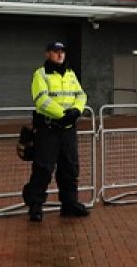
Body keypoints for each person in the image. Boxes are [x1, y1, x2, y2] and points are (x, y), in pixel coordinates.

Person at [23, 41, 89, 222]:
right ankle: (35, 206)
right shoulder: (41, 74)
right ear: (47, 54)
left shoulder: (70, 74)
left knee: (70, 167)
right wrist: (62, 115)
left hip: (68, 130)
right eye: (55, 51)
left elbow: (81, 95)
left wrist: (76, 111)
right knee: (43, 168)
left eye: (62, 52)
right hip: (48, 129)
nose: (60, 55)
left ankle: (69, 203)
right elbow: (41, 99)